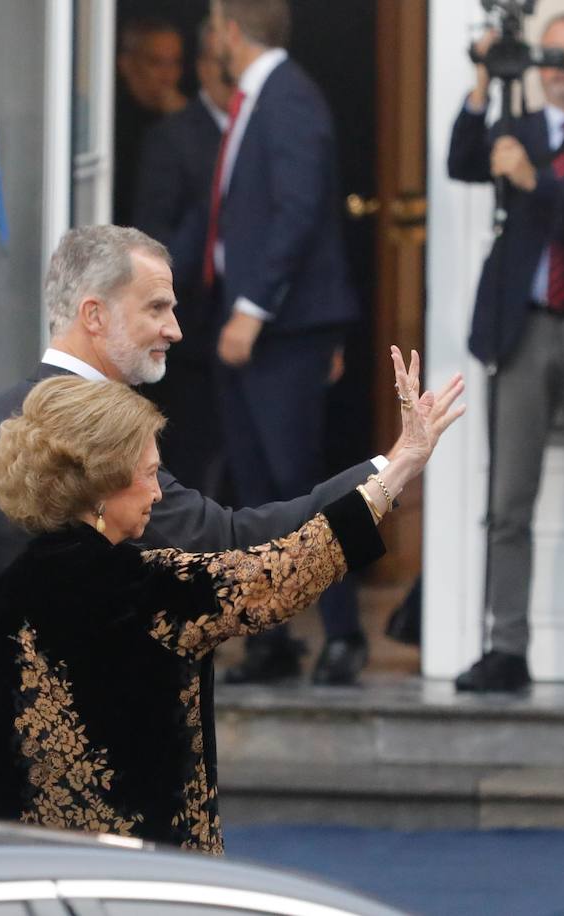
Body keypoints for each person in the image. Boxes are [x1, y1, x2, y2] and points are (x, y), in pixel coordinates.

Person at [0, 354, 462, 852]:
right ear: (102, 484)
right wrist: (399, 468)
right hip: (134, 871)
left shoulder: (1, 598)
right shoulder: (148, 587)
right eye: (149, 474)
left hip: (30, 869)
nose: (156, 494)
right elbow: (280, 572)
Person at [0, 226, 461, 653]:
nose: (176, 330)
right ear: (94, 315)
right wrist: (392, 470)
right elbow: (230, 545)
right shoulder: (93, 433)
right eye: (156, 308)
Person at [205, 0, 364, 684]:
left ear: (233, 31)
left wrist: (250, 309)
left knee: (310, 489)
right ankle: (272, 639)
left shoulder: (289, 97)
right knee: (260, 492)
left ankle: (347, 634)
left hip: (282, 330)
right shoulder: (256, 99)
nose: (210, 38)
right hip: (258, 328)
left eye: (213, 25)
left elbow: (300, 213)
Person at [448, 15, 564, 708]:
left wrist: (532, 178)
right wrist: (483, 78)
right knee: (509, 501)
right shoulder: (524, 128)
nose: (560, 64)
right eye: (551, 53)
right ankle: (506, 646)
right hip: (525, 329)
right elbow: (460, 158)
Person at [134, 16, 234, 493]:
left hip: (255, 332)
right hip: (190, 328)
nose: (232, 74)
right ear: (203, 68)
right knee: (195, 464)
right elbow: (153, 246)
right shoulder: (171, 138)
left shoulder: (265, 126)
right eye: (221, 63)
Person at [114, 17, 188, 225]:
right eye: (155, 63)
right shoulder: (110, 123)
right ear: (126, 65)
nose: (168, 76)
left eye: (175, 63)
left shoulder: (183, 117)